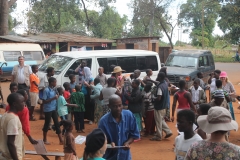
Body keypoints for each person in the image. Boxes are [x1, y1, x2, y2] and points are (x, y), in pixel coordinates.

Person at [98, 95, 140, 160]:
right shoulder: (103, 121)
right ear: (109, 106)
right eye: (115, 106)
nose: (118, 108)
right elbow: (100, 140)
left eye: (120, 105)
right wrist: (109, 144)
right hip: (109, 156)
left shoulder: (129, 116)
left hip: (125, 156)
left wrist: (128, 142)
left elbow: (134, 134)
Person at [0, 93, 25, 160]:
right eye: (22, 102)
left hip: (4, 155)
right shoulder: (13, 119)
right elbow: (10, 143)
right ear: (14, 104)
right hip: (11, 157)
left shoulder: (5, 115)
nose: (24, 104)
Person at [150, 72, 172, 141]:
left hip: (159, 106)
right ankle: (168, 131)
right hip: (164, 106)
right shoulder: (165, 83)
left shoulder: (160, 87)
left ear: (159, 77)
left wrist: (153, 98)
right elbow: (157, 82)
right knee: (161, 120)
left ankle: (158, 136)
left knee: (158, 122)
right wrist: (151, 80)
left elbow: (159, 98)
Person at [42, 77, 63, 145]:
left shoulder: (54, 89)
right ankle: (44, 139)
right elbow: (44, 101)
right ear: (51, 83)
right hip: (48, 109)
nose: (55, 83)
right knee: (47, 123)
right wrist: (53, 98)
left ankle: (61, 140)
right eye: (54, 82)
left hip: (54, 108)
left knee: (57, 123)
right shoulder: (46, 90)